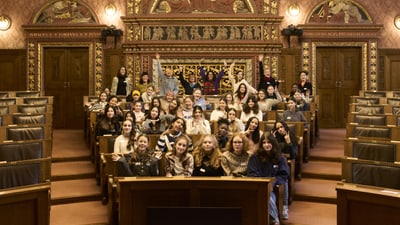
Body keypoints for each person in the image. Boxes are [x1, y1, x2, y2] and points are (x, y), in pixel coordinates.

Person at [247, 133, 290, 225]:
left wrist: (272, 183)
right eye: (264, 142)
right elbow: (252, 174)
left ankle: (274, 221)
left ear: (273, 143)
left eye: (269, 142)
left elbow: (284, 174)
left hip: (273, 189)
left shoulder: (280, 158)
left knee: (268, 196)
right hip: (258, 188)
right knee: (265, 195)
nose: (266, 145)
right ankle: (275, 221)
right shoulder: (255, 158)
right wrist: (264, 184)